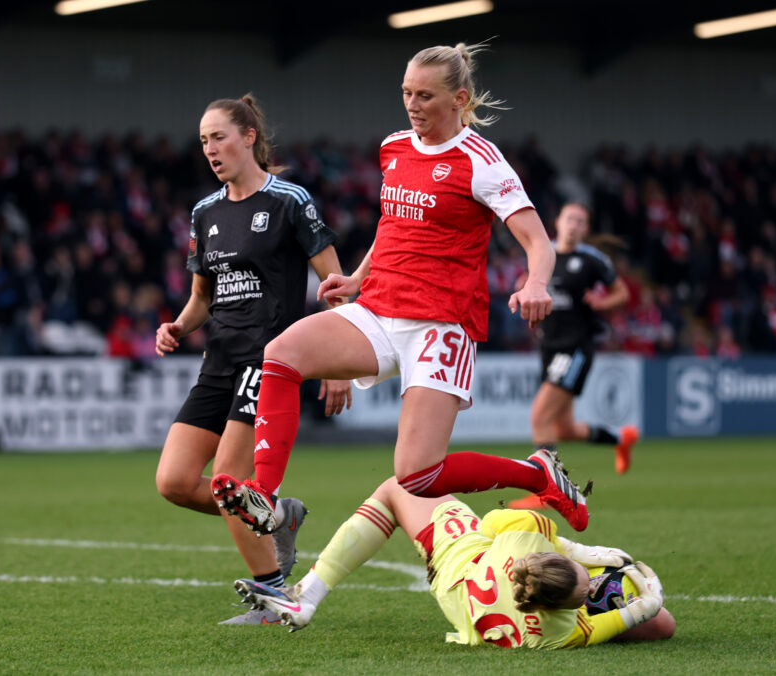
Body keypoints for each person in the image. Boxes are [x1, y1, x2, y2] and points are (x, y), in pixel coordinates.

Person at [213, 42, 594, 537]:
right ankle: (264, 495)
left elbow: (537, 240)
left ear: (459, 99)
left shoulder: (481, 160)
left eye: (425, 95)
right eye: (406, 93)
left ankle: (538, 475)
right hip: (378, 308)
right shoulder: (395, 147)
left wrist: (537, 282)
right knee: (281, 355)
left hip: (440, 323)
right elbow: (393, 224)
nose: (412, 104)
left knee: (418, 474)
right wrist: (357, 278)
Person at [153, 94, 351, 625]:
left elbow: (336, 288)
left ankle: (274, 598)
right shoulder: (204, 211)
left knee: (229, 481)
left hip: (270, 362)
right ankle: (279, 516)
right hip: (218, 360)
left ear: (247, 137)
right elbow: (201, 299)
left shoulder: (289, 201)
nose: (209, 149)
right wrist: (176, 326)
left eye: (218, 136)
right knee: (172, 481)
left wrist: (339, 365)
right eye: (202, 141)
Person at [235, 477, 675, 648]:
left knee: (397, 487)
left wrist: (585, 553)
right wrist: (643, 604)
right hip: (456, 600)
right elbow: (651, 622)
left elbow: (494, 521)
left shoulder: (525, 542)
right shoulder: (560, 634)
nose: (589, 575)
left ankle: (308, 595)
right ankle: (608, 595)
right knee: (657, 626)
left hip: (457, 555)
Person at [510, 203, 638, 511]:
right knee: (563, 429)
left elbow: (622, 293)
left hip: (575, 346)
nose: (574, 225)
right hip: (549, 347)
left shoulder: (592, 259)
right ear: (558, 222)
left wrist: (602, 301)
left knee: (540, 416)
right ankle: (621, 438)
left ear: (585, 230)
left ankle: (545, 491)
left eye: (581, 222)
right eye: (570, 219)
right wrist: (524, 288)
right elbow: (527, 282)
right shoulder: (544, 253)